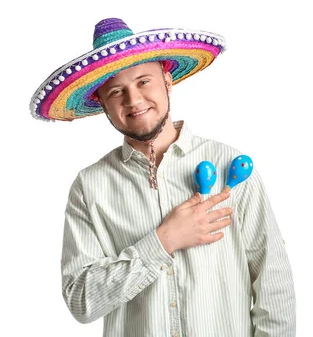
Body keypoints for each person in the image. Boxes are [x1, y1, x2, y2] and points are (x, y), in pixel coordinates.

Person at [30, 18, 296, 336]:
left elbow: (274, 286)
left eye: (144, 81)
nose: (133, 100)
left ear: (167, 80)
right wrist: (164, 240)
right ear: (101, 103)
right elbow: (81, 301)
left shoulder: (229, 165)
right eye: (116, 91)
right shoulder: (90, 187)